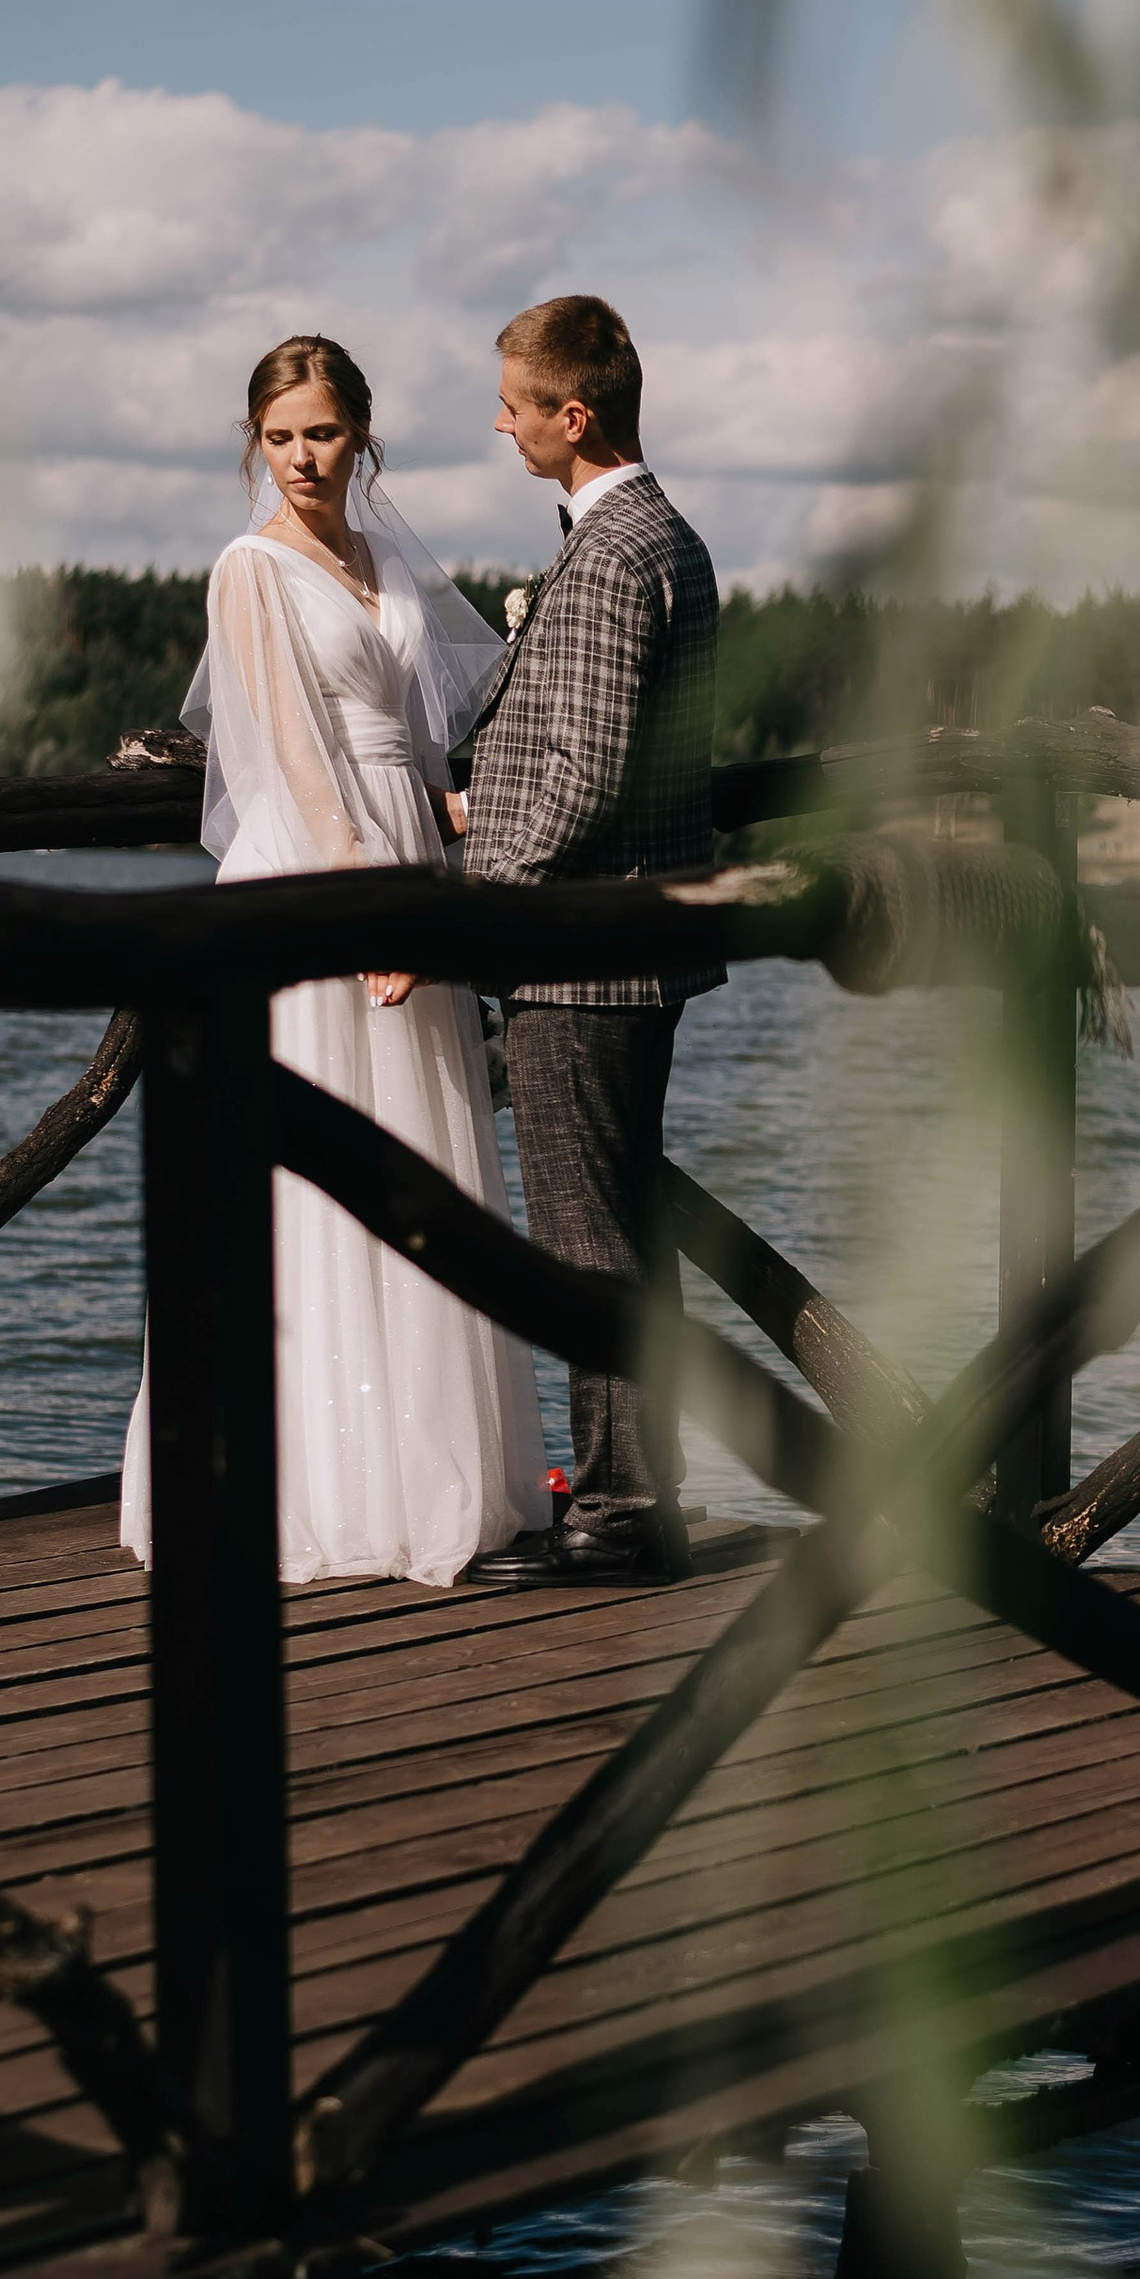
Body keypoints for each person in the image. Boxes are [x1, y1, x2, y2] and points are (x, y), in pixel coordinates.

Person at [119, 334, 551, 1588]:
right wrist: (365, 898)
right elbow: (294, 753)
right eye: (279, 436)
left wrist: (443, 814)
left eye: (323, 431)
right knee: (306, 1180)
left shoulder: (380, 558)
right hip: (317, 874)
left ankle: (430, 1469)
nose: (303, 456)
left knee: (421, 1154)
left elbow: (405, 728)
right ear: (255, 444)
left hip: (400, 848)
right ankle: (303, 1486)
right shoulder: (248, 569)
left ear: (363, 432)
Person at [458, 293, 720, 1585]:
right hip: (626, 943)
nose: (498, 422)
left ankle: (620, 1511)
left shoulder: (616, 556)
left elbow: (592, 771)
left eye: (514, 402)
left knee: (588, 1240)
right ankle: (635, 1493)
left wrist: (475, 889)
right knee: (617, 1227)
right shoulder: (657, 539)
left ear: (575, 415)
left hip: (583, 949)